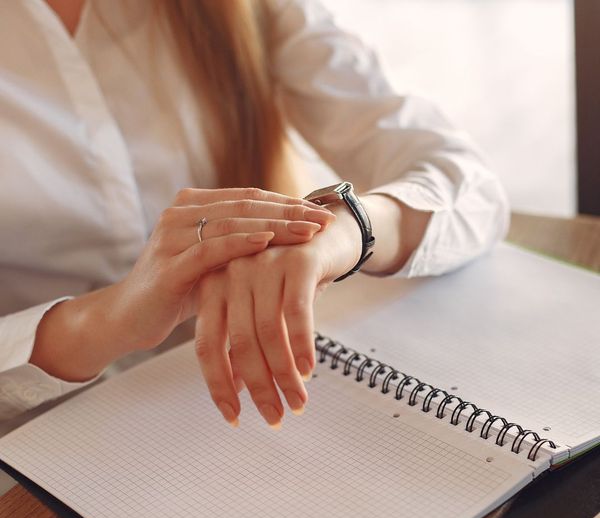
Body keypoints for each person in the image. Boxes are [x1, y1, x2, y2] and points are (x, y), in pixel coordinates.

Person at [0, 0, 509, 436]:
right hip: (36, 453)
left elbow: (471, 187)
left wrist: (339, 232)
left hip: (261, 413)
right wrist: (103, 321)